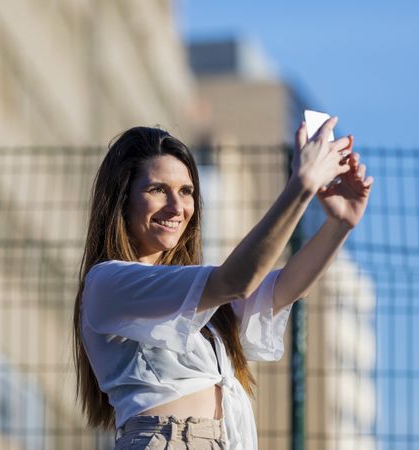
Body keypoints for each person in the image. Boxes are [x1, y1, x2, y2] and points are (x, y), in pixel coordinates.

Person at [72, 119, 373, 449]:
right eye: (157, 189)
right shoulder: (107, 283)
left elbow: (283, 288)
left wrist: (340, 224)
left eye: (186, 192)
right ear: (122, 198)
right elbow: (238, 280)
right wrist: (300, 186)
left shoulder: (199, 304)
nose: (177, 207)